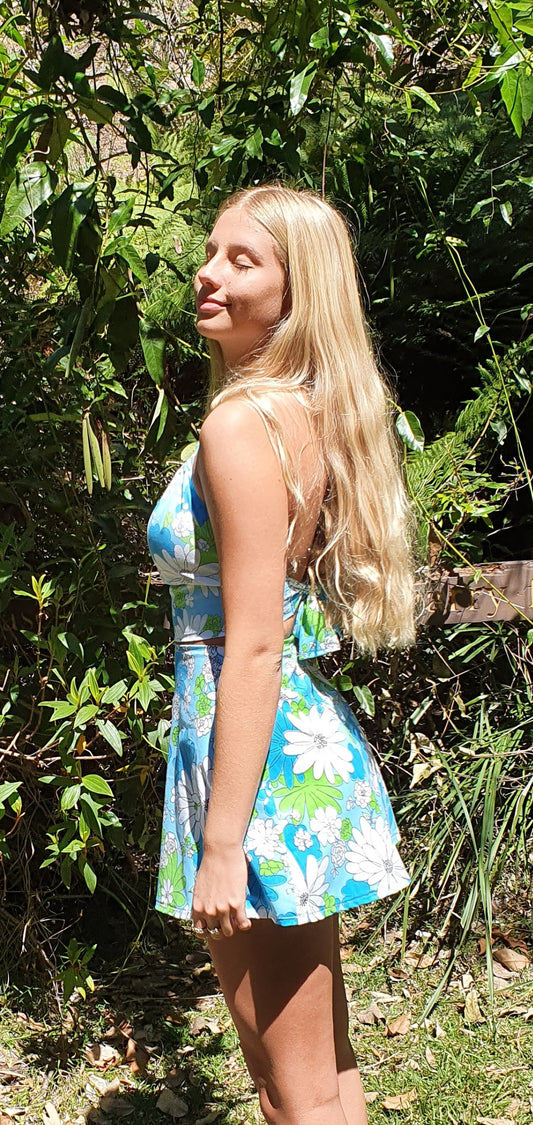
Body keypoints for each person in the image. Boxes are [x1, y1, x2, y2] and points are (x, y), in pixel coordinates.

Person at [147, 184, 415, 1125]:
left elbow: (255, 645)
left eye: (241, 259)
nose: (207, 274)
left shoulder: (239, 425)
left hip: (256, 764)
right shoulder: (298, 412)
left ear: (297, 291)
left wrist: (221, 845)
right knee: (316, 1074)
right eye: (210, 251)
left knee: (289, 1088)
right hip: (275, 749)